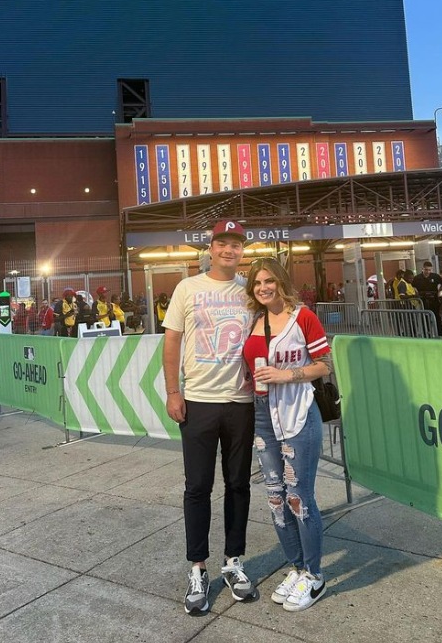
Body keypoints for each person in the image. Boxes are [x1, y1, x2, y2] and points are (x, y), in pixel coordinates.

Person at [162, 219, 255, 615]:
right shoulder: (188, 288)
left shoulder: (250, 291)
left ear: (241, 250)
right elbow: (172, 341)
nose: (228, 250)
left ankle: (233, 561)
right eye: (222, 243)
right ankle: (197, 567)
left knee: (238, 484)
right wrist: (172, 390)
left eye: (236, 244)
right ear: (211, 247)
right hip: (198, 400)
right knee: (197, 486)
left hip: (241, 401)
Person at [243, 257, 332, 612]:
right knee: (277, 500)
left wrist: (287, 375)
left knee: (299, 498)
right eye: (257, 283)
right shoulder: (254, 320)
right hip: (263, 417)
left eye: (269, 281)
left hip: (297, 415)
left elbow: (325, 364)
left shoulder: (302, 317)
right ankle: (296, 568)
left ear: (280, 281)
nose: (263, 288)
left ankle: (315, 575)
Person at [412, 261, 442, 334]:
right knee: (425, 318)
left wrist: (439, 292)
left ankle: (439, 334)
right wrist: (417, 293)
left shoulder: (435, 276)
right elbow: (413, 286)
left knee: (437, 318)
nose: (428, 271)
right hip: (423, 300)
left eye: (429, 270)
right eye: (426, 269)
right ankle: (427, 333)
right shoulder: (417, 278)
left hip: (434, 299)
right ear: (422, 269)